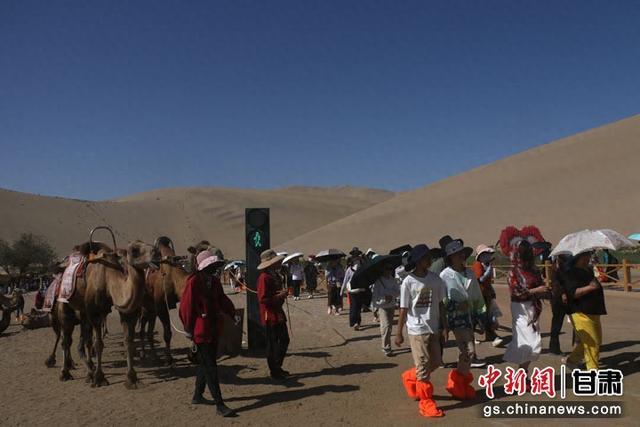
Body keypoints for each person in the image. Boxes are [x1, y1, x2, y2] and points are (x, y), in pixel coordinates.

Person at [178, 250, 236, 417]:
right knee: (211, 367)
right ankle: (220, 404)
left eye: (215, 265)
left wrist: (231, 313)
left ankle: (197, 395)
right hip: (201, 331)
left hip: (213, 328)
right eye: (212, 265)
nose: (215, 268)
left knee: (205, 363)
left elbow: (222, 300)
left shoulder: (214, 282)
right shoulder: (194, 282)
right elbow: (186, 307)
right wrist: (188, 329)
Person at [395, 244, 446, 418]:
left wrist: (444, 326)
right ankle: (426, 402)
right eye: (426, 257)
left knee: (437, 362)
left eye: (429, 257)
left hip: (434, 326)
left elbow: (440, 303)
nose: (429, 260)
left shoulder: (435, 279)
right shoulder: (408, 282)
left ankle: (411, 376)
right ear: (418, 261)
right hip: (416, 328)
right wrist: (398, 332)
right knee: (423, 363)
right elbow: (403, 308)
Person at [439, 236, 486, 400]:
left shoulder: (470, 273)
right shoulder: (445, 275)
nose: (461, 257)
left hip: (469, 318)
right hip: (456, 319)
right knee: (468, 351)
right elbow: (441, 301)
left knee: (468, 354)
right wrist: (456, 307)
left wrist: (481, 315)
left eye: (462, 253)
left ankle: (460, 383)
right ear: (451, 257)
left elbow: (477, 296)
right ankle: (456, 382)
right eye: (457, 254)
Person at [499, 226, 550, 377]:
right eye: (523, 252)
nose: (526, 255)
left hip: (533, 308)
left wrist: (547, 291)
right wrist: (536, 291)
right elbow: (516, 292)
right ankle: (521, 375)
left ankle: (522, 373)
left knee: (534, 343)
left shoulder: (534, 270)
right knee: (527, 343)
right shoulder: (513, 272)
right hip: (520, 309)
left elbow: (540, 287)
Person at [562, 251, 607, 370]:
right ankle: (593, 372)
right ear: (579, 257)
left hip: (593, 310)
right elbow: (573, 293)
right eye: (587, 255)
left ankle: (571, 360)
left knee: (592, 341)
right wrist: (591, 287)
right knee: (592, 344)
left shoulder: (588, 269)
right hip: (580, 311)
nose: (589, 257)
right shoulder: (570, 272)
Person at [257, 249, 291, 380]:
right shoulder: (263, 278)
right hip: (269, 315)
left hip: (277, 313)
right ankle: (275, 370)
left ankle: (277, 367)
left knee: (284, 340)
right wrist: (279, 296)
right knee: (272, 344)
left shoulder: (274, 276)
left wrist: (281, 295)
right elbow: (263, 299)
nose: (280, 263)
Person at [472, 244, 503, 347]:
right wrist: (488, 271)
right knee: (481, 316)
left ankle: (490, 335)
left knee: (487, 315)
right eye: (486, 254)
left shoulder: (486, 265)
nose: (489, 256)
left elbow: (488, 283)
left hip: (486, 294)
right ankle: (491, 336)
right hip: (479, 294)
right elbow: (479, 279)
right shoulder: (477, 265)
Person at [372, 260, 400, 356]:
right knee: (386, 326)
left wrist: (391, 296)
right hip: (383, 307)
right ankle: (386, 347)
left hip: (391, 306)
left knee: (389, 327)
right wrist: (384, 299)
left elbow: (397, 292)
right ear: (383, 270)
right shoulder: (378, 282)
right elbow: (375, 298)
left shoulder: (392, 280)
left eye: (391, 269)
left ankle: (386, 345)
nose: (389, 271)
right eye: (387, 269)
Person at [549, 255, 571, 355]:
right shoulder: (554, 269)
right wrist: (562, 293)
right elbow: (555, 283)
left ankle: (578, 347)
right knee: (557, 323)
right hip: (558, 299)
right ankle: (554, 347)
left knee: (577, 324)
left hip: (571, 298)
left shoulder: (570, 267)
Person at [342, 249, 366, 330]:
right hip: (351, 290)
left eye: (357, 256)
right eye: (355, 256)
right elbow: (345, 280)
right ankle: (354, 322)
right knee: (354, 306)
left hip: (360, 290)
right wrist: (341, 290)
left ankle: (357, 322)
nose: (356, 259)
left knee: (358, 307)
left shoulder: (362, 269)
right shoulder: (349, 269)